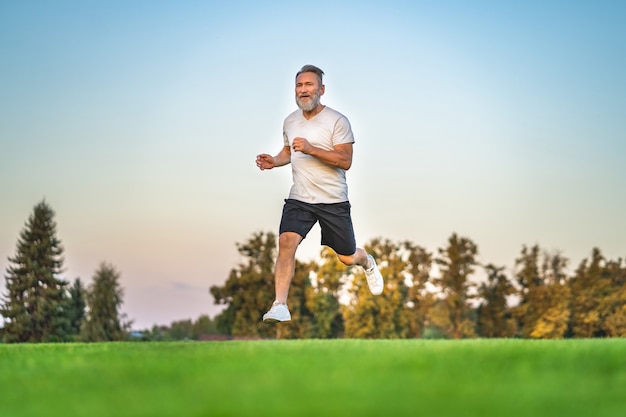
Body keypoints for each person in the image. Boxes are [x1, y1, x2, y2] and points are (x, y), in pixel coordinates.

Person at [256, 64, 384, 322]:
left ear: (321, 89)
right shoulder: (290, 121)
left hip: (333, 201)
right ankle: (280, 304)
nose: (303, 90)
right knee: (286, 242)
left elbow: (345, 160)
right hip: (300, 198)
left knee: (347, 257)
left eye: (309, 85)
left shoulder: (337, 121)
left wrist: (313, 149)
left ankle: (367, 262)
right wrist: (275, 160)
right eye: (299, 85)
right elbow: (289, 152)